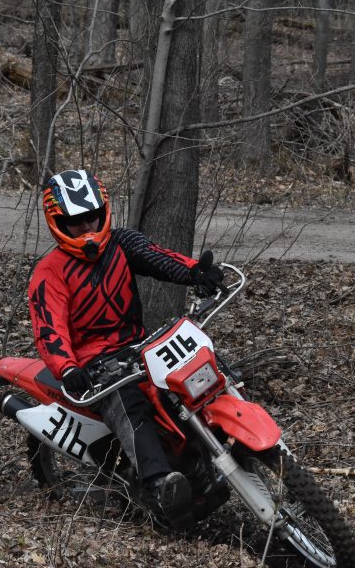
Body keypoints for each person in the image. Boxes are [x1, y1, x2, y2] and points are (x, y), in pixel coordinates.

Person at [27, 169, 223, 527]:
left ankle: (218, 447)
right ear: (57, 222)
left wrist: (196, 273)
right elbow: (49, 330)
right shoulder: (49, 272)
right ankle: (160, 484)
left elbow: (159, 258)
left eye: (92, 217)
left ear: (103, 212)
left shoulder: (122, 243)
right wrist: (68, 369)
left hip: (139, 345)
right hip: (94, 364)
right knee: (129, 405)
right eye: (75, 222)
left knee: (192, 378)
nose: (86, 228)